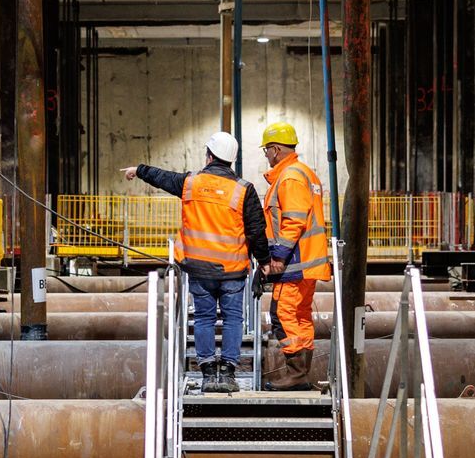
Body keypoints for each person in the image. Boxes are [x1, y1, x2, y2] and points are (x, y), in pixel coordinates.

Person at [120, 131, 267, 392]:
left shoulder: (190, 183)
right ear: (231, 160)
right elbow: (256, 230)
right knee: (234, 319)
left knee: (204, 318)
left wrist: (137, 169)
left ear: (209, 156)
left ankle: (208, 374)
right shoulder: (244, 190)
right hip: (233, 271)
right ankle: (229, 374)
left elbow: (162, 177)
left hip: (198, 269)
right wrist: (264, 262)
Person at [258, 120, 331, 389]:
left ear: (276, 149)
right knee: (301, 316)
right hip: (307, 261)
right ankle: (300, 374)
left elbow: (294, 221)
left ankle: (296, 373)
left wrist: (276, 257)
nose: (266, 155)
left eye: (266, 150)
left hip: (294, 261)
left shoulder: (289, 177)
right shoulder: (305, 174)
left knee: (282, 314)